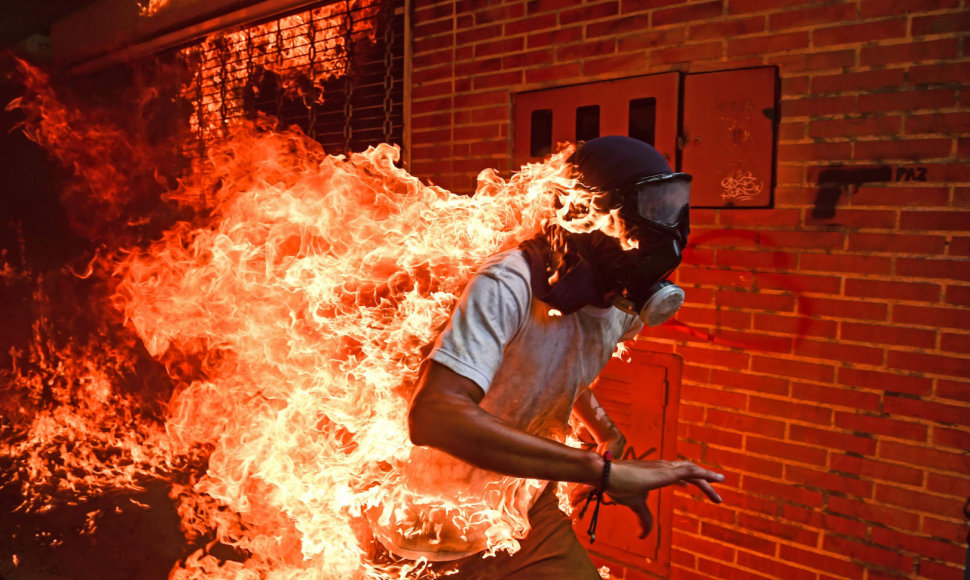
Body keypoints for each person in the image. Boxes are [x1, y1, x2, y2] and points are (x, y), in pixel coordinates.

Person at [379, 136, 724, 579]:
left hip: (527, 511)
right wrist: (600, 472)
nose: (667, 228)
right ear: (588, 212)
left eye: (672, 206)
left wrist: (606, 434)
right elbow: (435, 414)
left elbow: (559, 368)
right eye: (651, 208)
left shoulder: (621, 304)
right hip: (431, 528)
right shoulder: (510, 283)